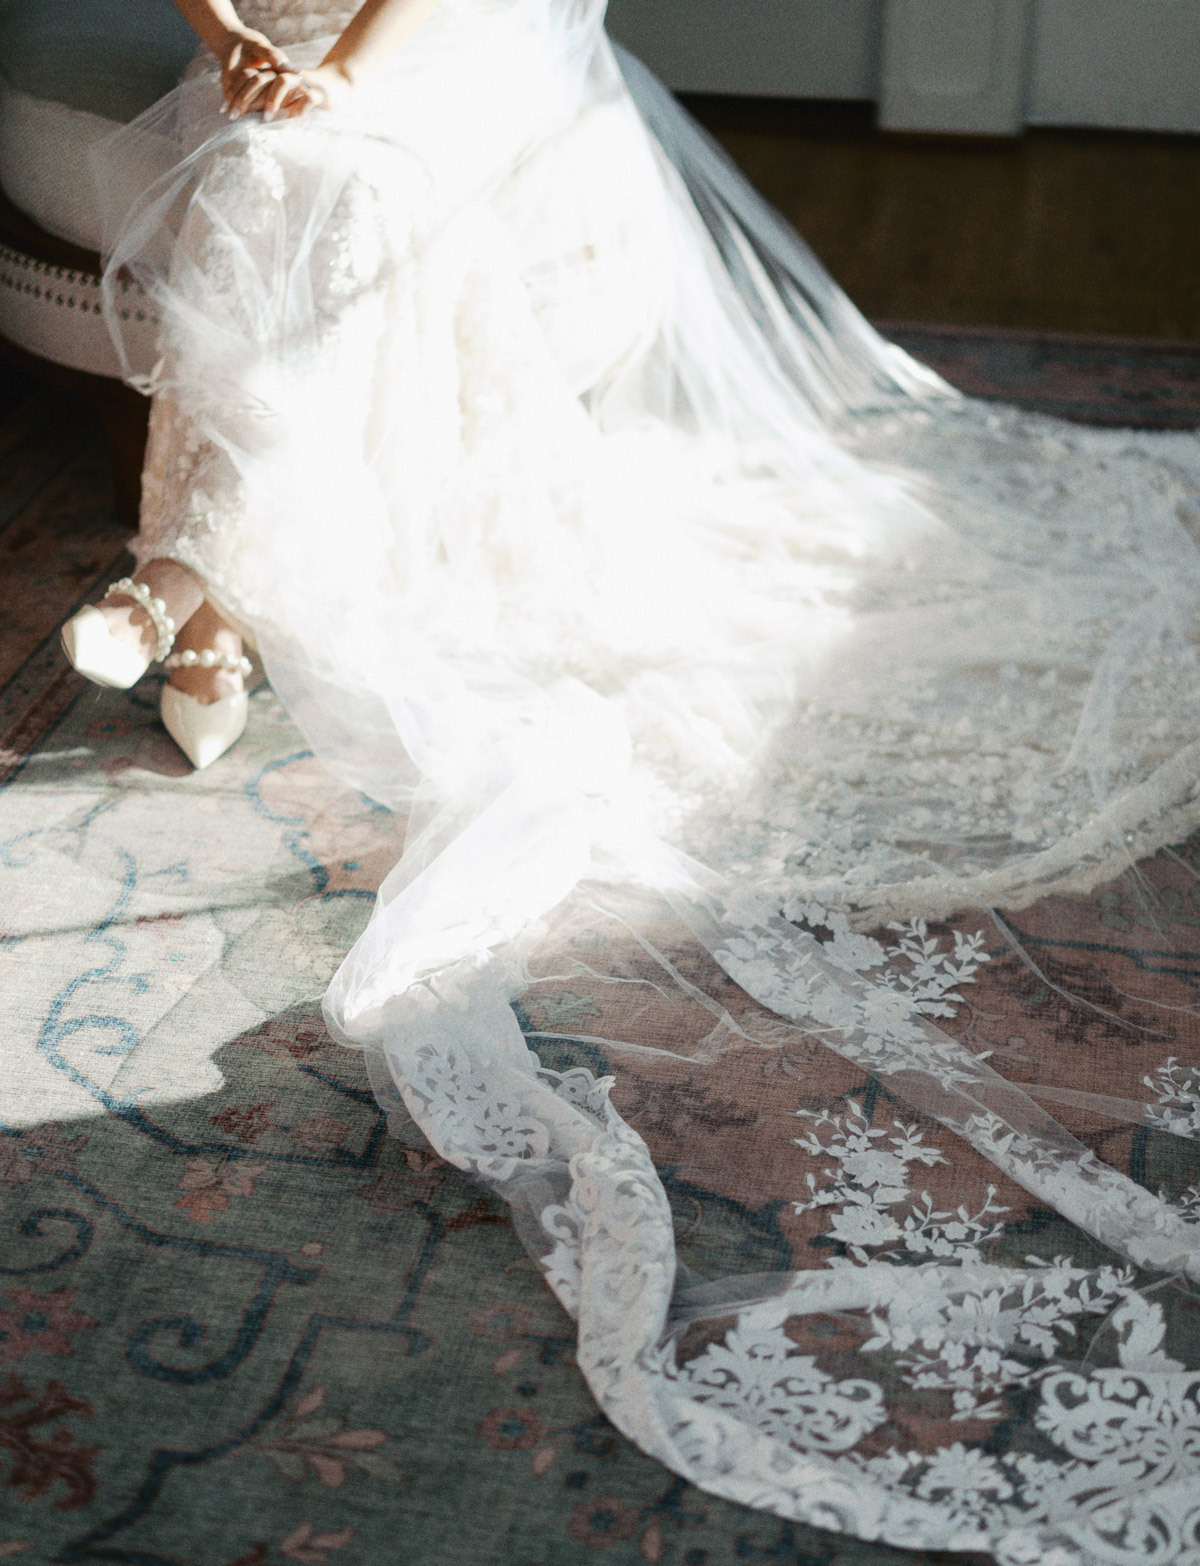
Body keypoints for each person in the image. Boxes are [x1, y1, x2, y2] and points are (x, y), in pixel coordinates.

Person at [60, 2, 1200, 1560]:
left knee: (316, 172)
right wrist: (237, 34)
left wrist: (336, 69)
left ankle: (185, 591)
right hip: (265, 28)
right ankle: (202, 599)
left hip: (443, 32)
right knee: (285, 167)